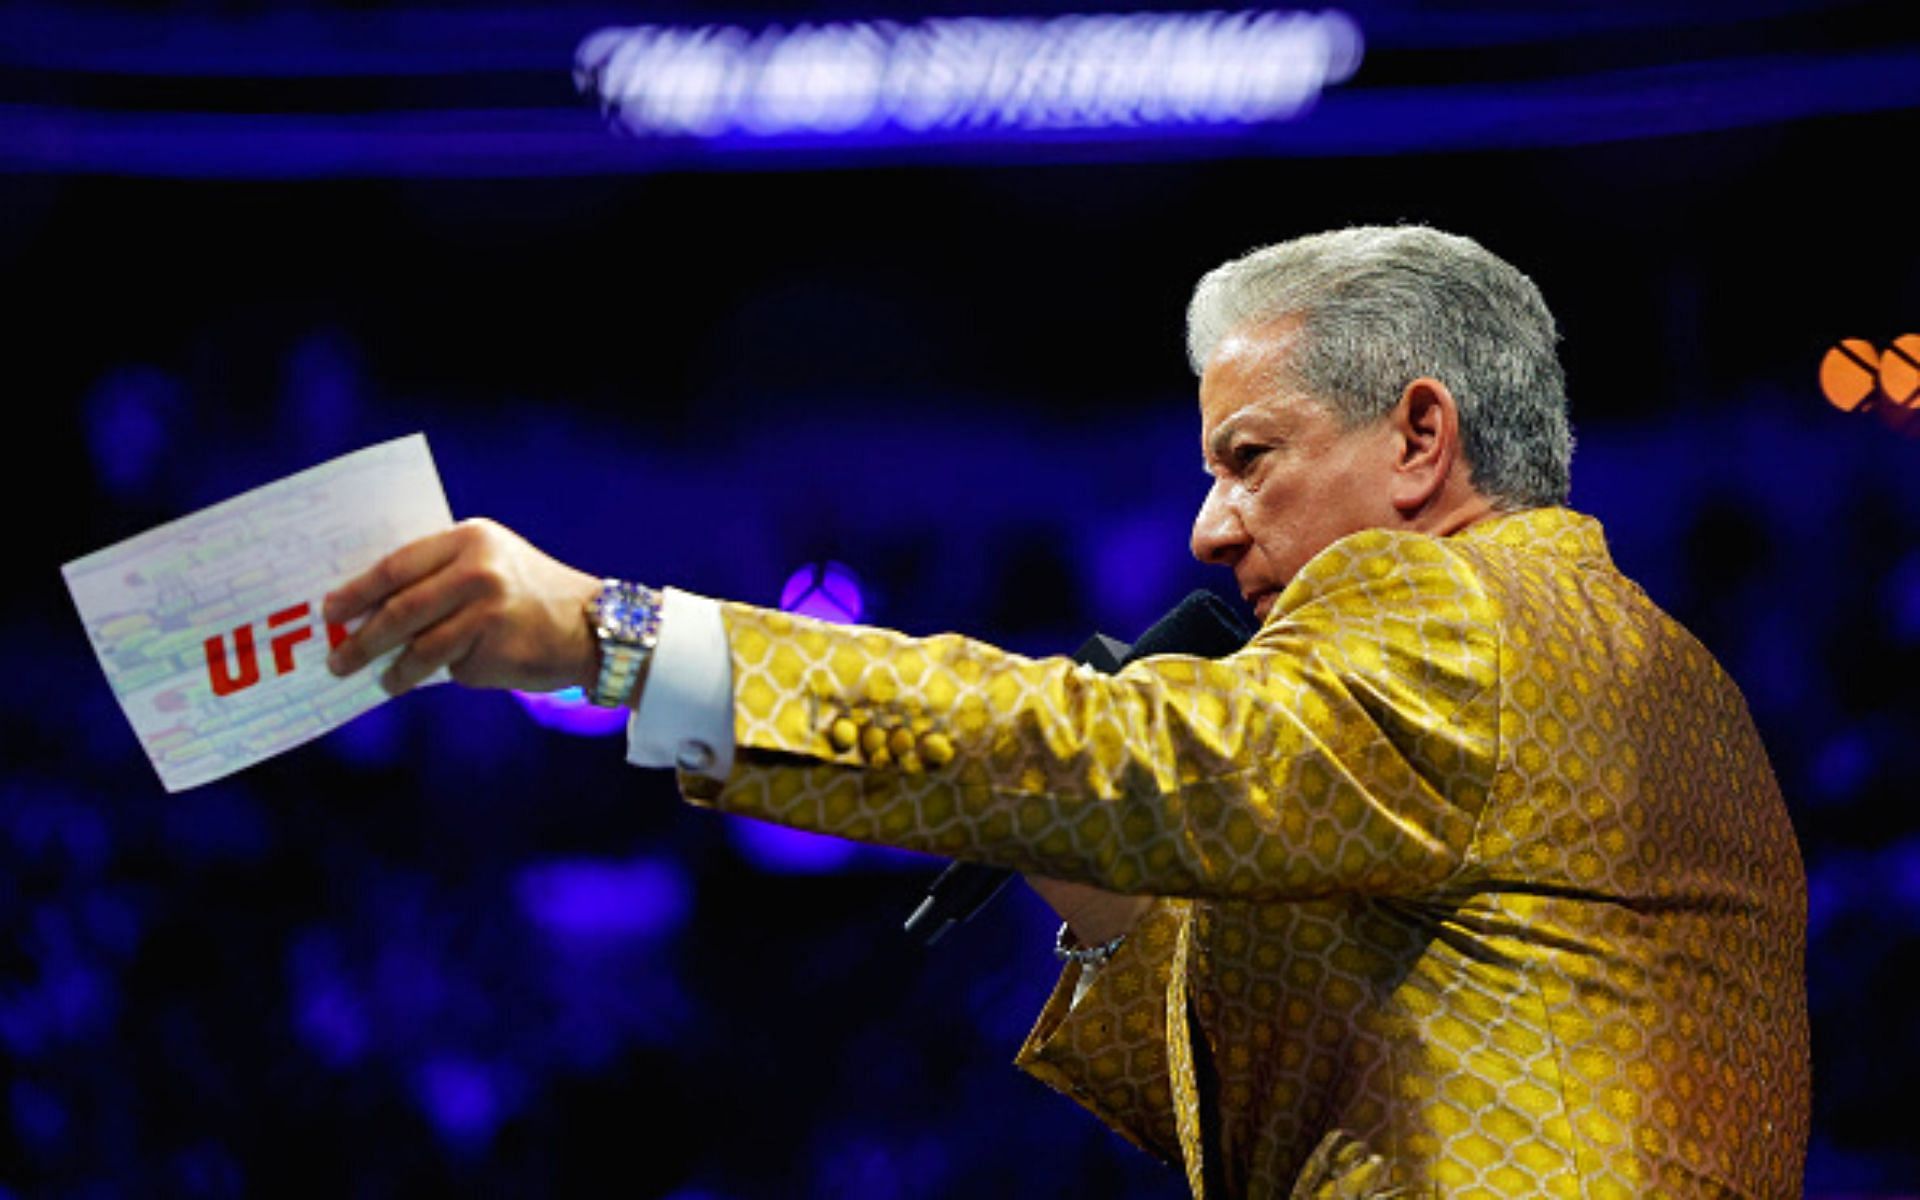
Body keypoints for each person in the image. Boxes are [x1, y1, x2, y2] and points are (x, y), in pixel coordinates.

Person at [323, 226, 1810, 1197]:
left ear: (1422, 436)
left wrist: (615, 641)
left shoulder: (1466, 609)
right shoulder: (1631, 671)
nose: (1208, 533)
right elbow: (1327, 1122)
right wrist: (1103, 890)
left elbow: (1126, 755)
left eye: (1250, 456)